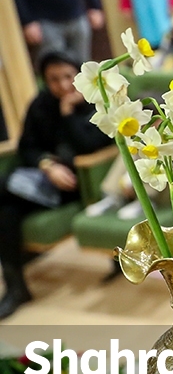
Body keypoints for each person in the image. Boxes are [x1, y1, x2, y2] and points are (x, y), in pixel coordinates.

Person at [0, 51, 110, 318]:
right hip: (42, 180)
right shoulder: (40, 104)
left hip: (78, 182)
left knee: (4, 202)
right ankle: (15, 286)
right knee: (6, 209)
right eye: (53, 79)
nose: (62, 86)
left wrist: (68, 113)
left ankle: (15, 286)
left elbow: (92, 144)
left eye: (68, 77)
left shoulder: (97, 101)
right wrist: (46, 165)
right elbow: (27, 146)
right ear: (44, 81)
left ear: (79, 75)